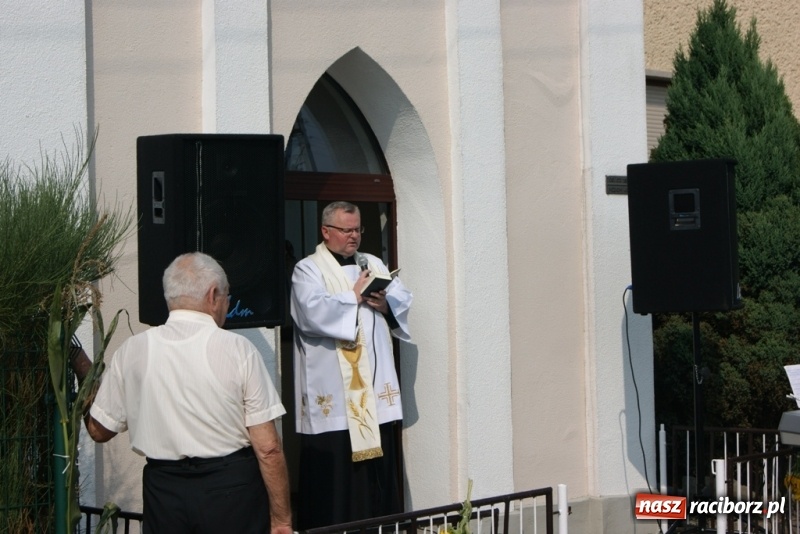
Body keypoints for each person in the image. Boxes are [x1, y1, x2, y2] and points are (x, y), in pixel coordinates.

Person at [73, 252, 292, 534]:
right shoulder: (239, 350)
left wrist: (83, 367)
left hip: (164, 492)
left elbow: (98, 430)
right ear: (213, 295)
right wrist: (282, 521)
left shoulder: (132, 351)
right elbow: (269, 448)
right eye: (227, 296)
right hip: (230, 491)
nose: (228, 304)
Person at [290, 201, 413, 529]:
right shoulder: (308, 269)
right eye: (346, 230)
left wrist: (385, 304)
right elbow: (310, 312)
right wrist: (354, 297)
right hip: (334, 397)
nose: (354, 236)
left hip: (373, 392)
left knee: (377, 481)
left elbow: (402, 298)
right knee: (336, 484)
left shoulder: (372, 263)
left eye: (358, 229)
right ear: (325, 231)